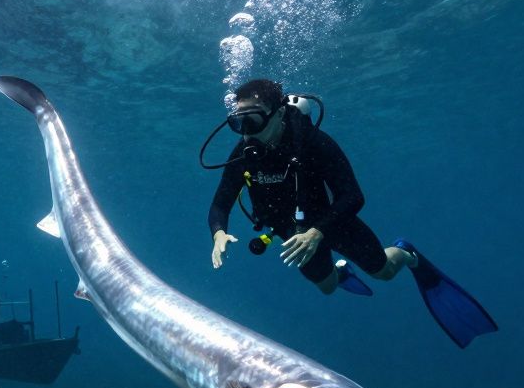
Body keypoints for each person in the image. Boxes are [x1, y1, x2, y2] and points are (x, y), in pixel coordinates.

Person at [204, 79, 497, 347]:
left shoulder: (313, 143)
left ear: (279, 113)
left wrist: (317, 233)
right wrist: (218, 233)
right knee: (328, 287)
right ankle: (341, 271)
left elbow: (353, 196)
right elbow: (221, 203)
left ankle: (407, 254)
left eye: (252, 121)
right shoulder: (242, 156)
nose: (246, 133)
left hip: (333, 222)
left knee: (383, 272)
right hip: (294, 235)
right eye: (238, 124)